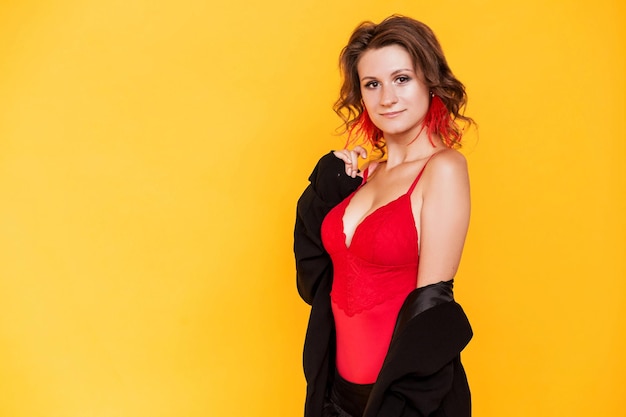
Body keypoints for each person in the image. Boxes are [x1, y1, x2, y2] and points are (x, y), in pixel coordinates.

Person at [294, 15, 474, 417]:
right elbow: (312, 275)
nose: (387, 98)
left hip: (405, 400)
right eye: (372, 84)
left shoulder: (442, 169)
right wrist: (328, 181)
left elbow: (432, 304)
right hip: (334, 397)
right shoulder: (362, 175)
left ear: (430, 81)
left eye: (402, 79)